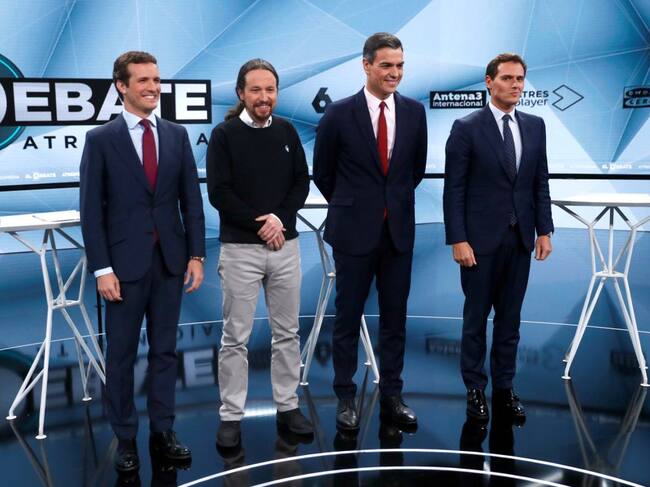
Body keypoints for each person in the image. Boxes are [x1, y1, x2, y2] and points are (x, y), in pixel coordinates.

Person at [80, 51, 205, 473]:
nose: (153, 88)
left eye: (156, 80)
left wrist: (196, 254)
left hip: (170, 262)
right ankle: (126, 437)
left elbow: (191, 200)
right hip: (122, 267)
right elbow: (91, 211)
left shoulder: (176, 134)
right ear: (122, 86)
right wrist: (102, 269)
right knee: (121, 356)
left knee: (165, 352)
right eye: (143, 81)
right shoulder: (101, 139)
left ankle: (163, 430)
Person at [313, 33, 427, 431]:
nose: (394, 73)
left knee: (395, 318)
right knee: (347, 317)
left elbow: (414, 171)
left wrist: (388, 205)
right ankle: (345, 397)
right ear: (366, 65)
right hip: (352, 232)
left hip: (398, 233)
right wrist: (356, 206)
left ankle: (393, 395)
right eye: (386, 65)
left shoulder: (415, 112)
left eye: (399, 66)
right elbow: (323, 173)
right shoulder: (338, 113)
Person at [206, 59, 313, 449]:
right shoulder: (224, 135)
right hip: (240, 250)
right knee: (235, 337)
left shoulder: (286, 131)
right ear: (241, 93)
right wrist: (261, 224)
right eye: (256, 90)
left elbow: (300, 182)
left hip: (285, 245)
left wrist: (279, 219)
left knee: (288, 333)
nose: (264, 96)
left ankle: (288, 406)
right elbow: (219, 192)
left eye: (270, 89)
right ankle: (231, 415)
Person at [443, 53, 553, 424]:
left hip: (520, 239)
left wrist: (544, 230)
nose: (515, 85)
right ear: (489, 82)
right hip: (478, 243)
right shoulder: (466, 127)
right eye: (507, 78)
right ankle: (475, 389)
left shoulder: (535, 126)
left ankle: (505, 389)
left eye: (520, 79)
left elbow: (539, 182)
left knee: (510, 320)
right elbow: (454, 189)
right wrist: (458, 239)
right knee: (475, 319)